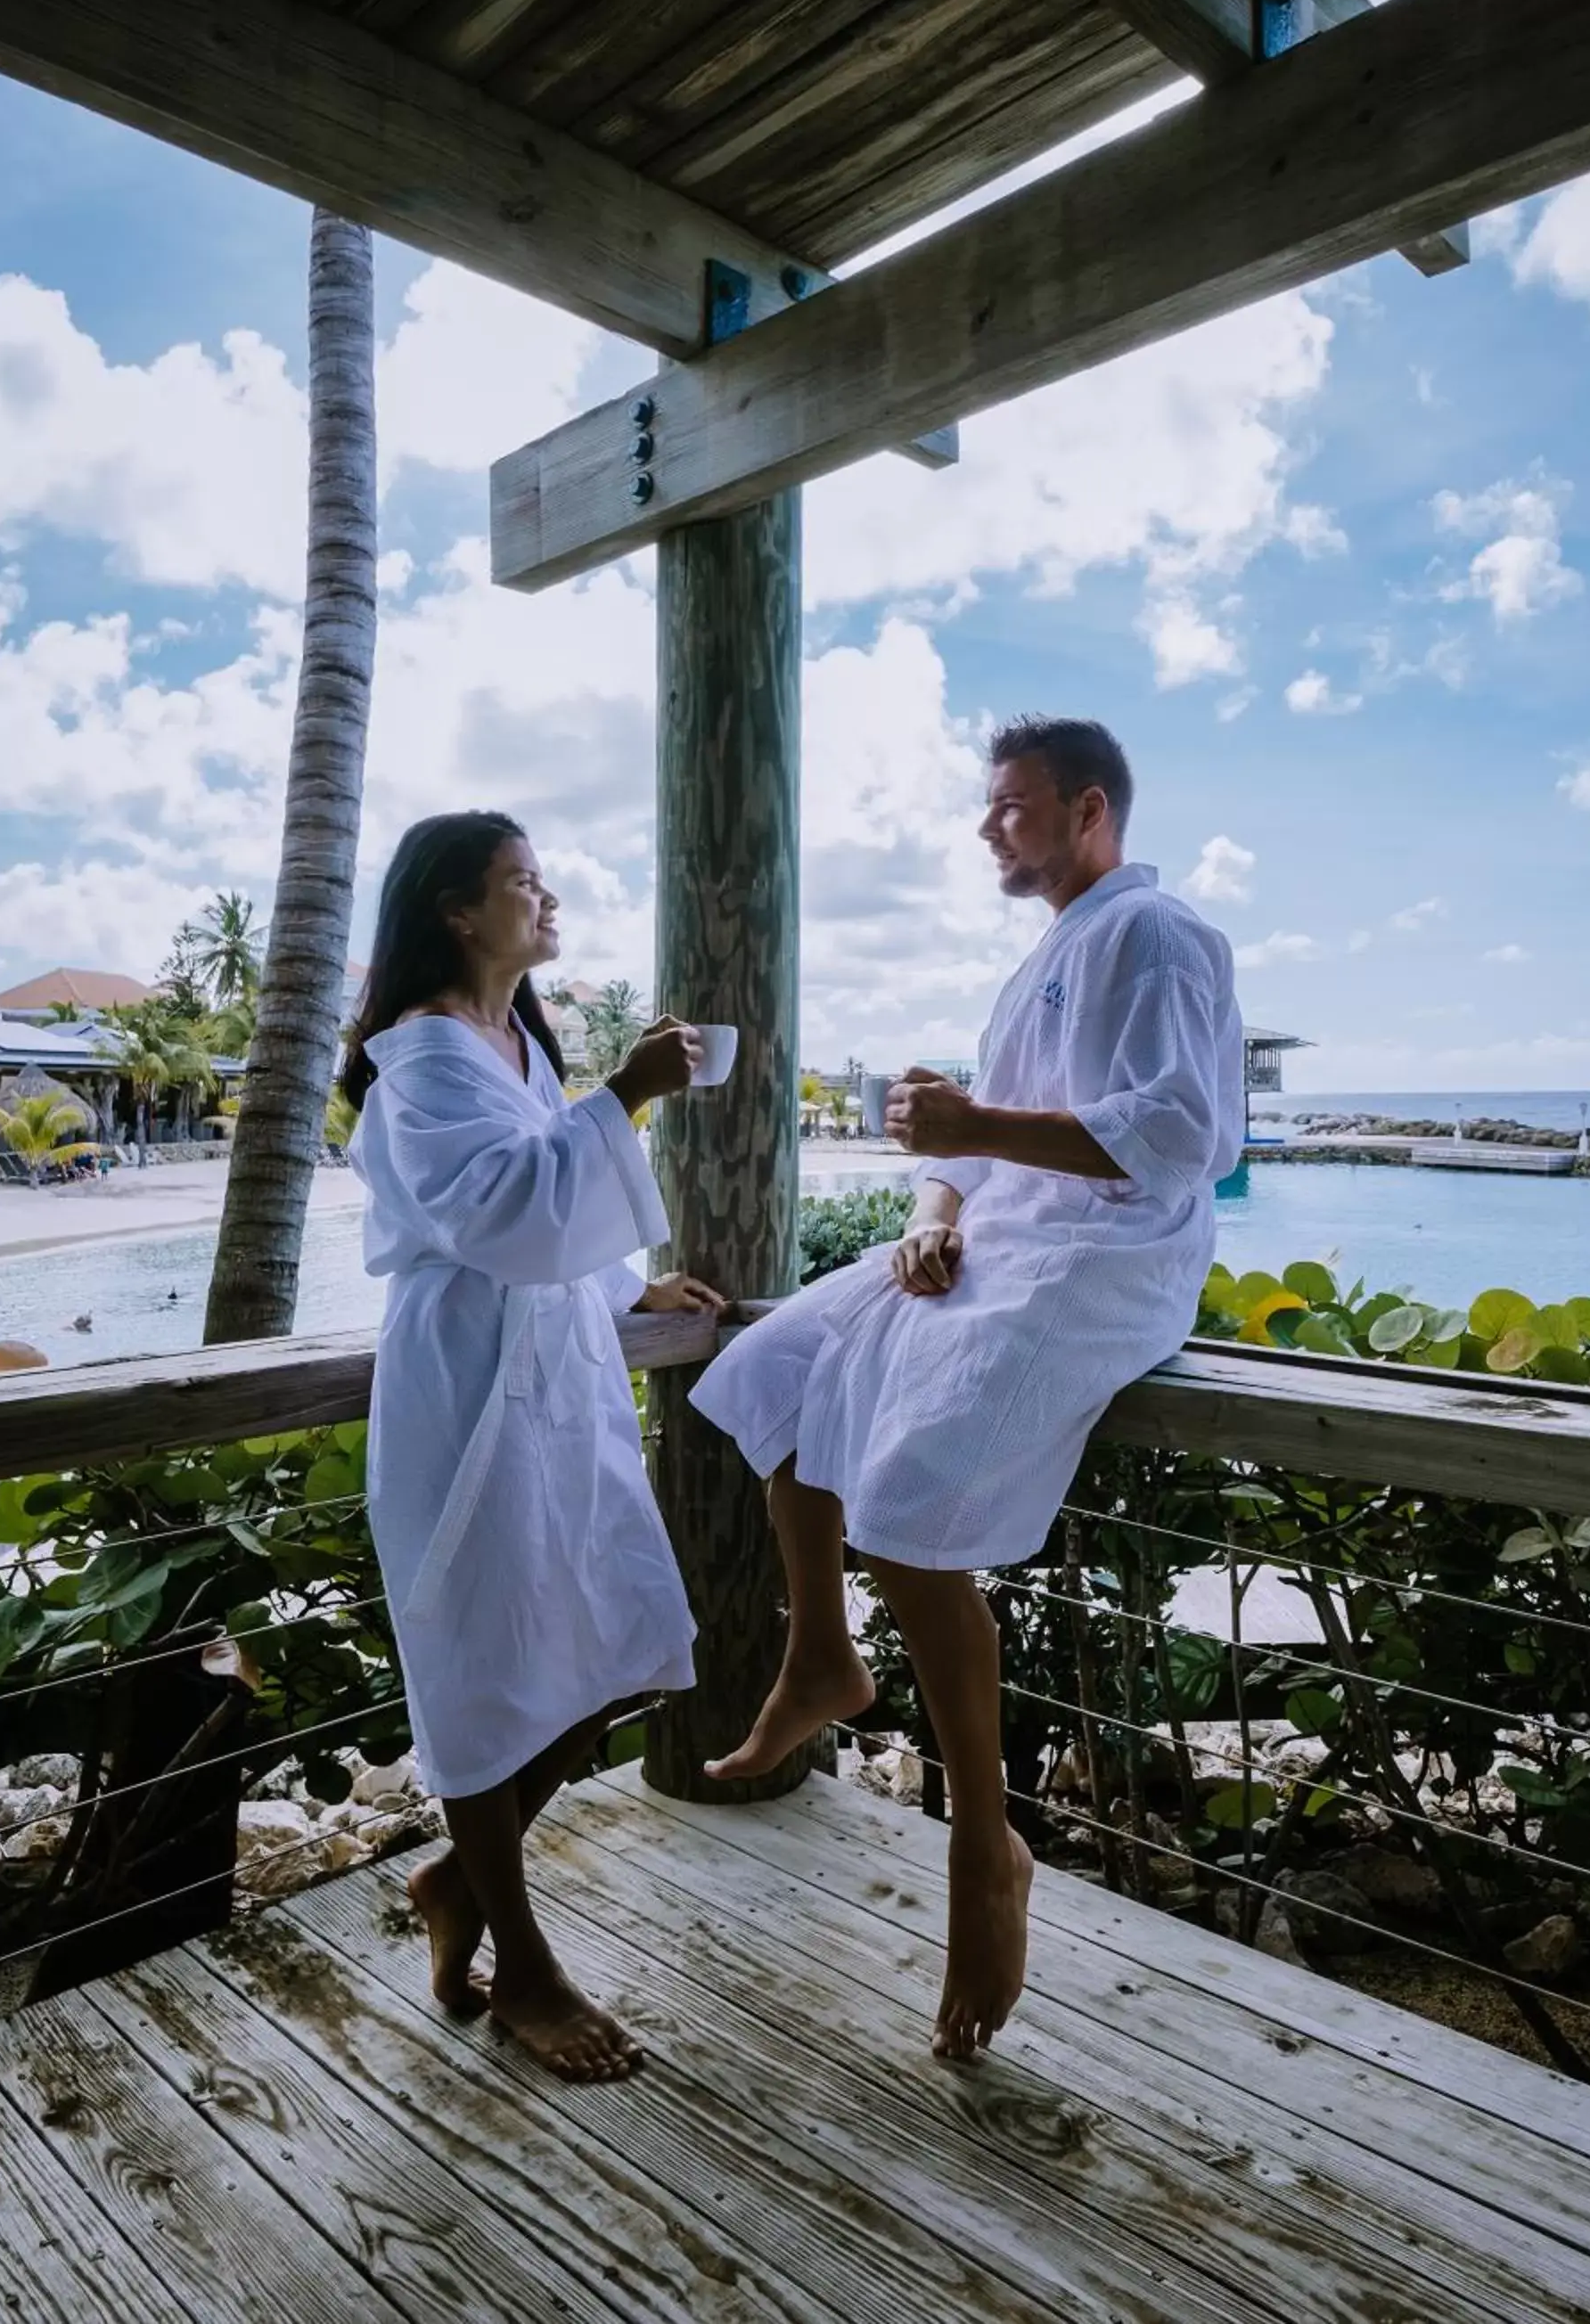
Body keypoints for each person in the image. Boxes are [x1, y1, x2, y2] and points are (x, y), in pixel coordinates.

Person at [690, 717, 1243, 2062]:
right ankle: (822, 1655)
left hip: (1106, 1262)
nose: (989, 829)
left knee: (909, 1496)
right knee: (775, 1365)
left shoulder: (1158, 937)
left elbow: (1182, 1140)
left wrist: (972, 1137)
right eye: (989, 809)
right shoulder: (1045, 959)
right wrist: (935, 1206)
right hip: (995, 1249)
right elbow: (980, 1144)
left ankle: (981, 1845)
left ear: (1088, 808)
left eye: (1011, 808)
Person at [343, 809, 723, 2081]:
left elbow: (538, 1196)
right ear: (457, 911)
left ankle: (458, 1878)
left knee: (628, 1642)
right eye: (523, 883)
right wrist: (629, 1092)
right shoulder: (428, 1052)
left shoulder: (507, 1042)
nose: (546, 900)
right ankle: (525, 1962)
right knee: (483, 1667)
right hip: (466, 1391)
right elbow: (499, 1208)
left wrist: (630, 1289)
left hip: (554, 1378)